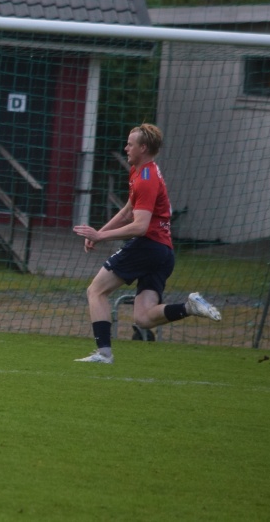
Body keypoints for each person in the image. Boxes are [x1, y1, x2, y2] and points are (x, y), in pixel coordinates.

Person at [72, 123, 221, 364]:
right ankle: (189, 307)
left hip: (147, 246)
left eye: (130, 144)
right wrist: (100, 231)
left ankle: (104, 353)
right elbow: (128, 211)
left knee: (96, 291)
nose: (126, 148)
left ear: (143, 148)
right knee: (143, 318)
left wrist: (100, 237)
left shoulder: (145, 179)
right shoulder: (142, 171)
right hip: (163, 251)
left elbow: (140, 226)